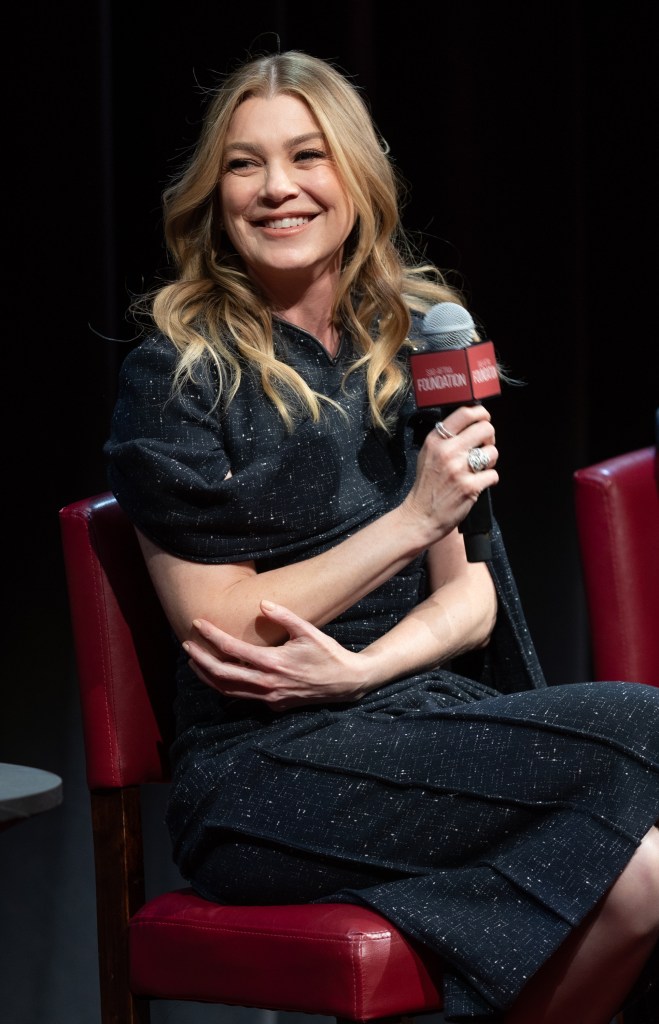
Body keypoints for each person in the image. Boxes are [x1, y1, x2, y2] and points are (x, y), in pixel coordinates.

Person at [104, 49, 659, 1023]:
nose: (277, 187)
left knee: (649, 873)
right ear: (213, 192)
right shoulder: (178, 369)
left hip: (410, 722)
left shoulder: (407, 338)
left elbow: (469, 596)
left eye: (306, 155)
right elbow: (221, 623)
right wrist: (408, 519)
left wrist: (362, 671)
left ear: (355, 179)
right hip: (258, 776)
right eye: (243, 163)